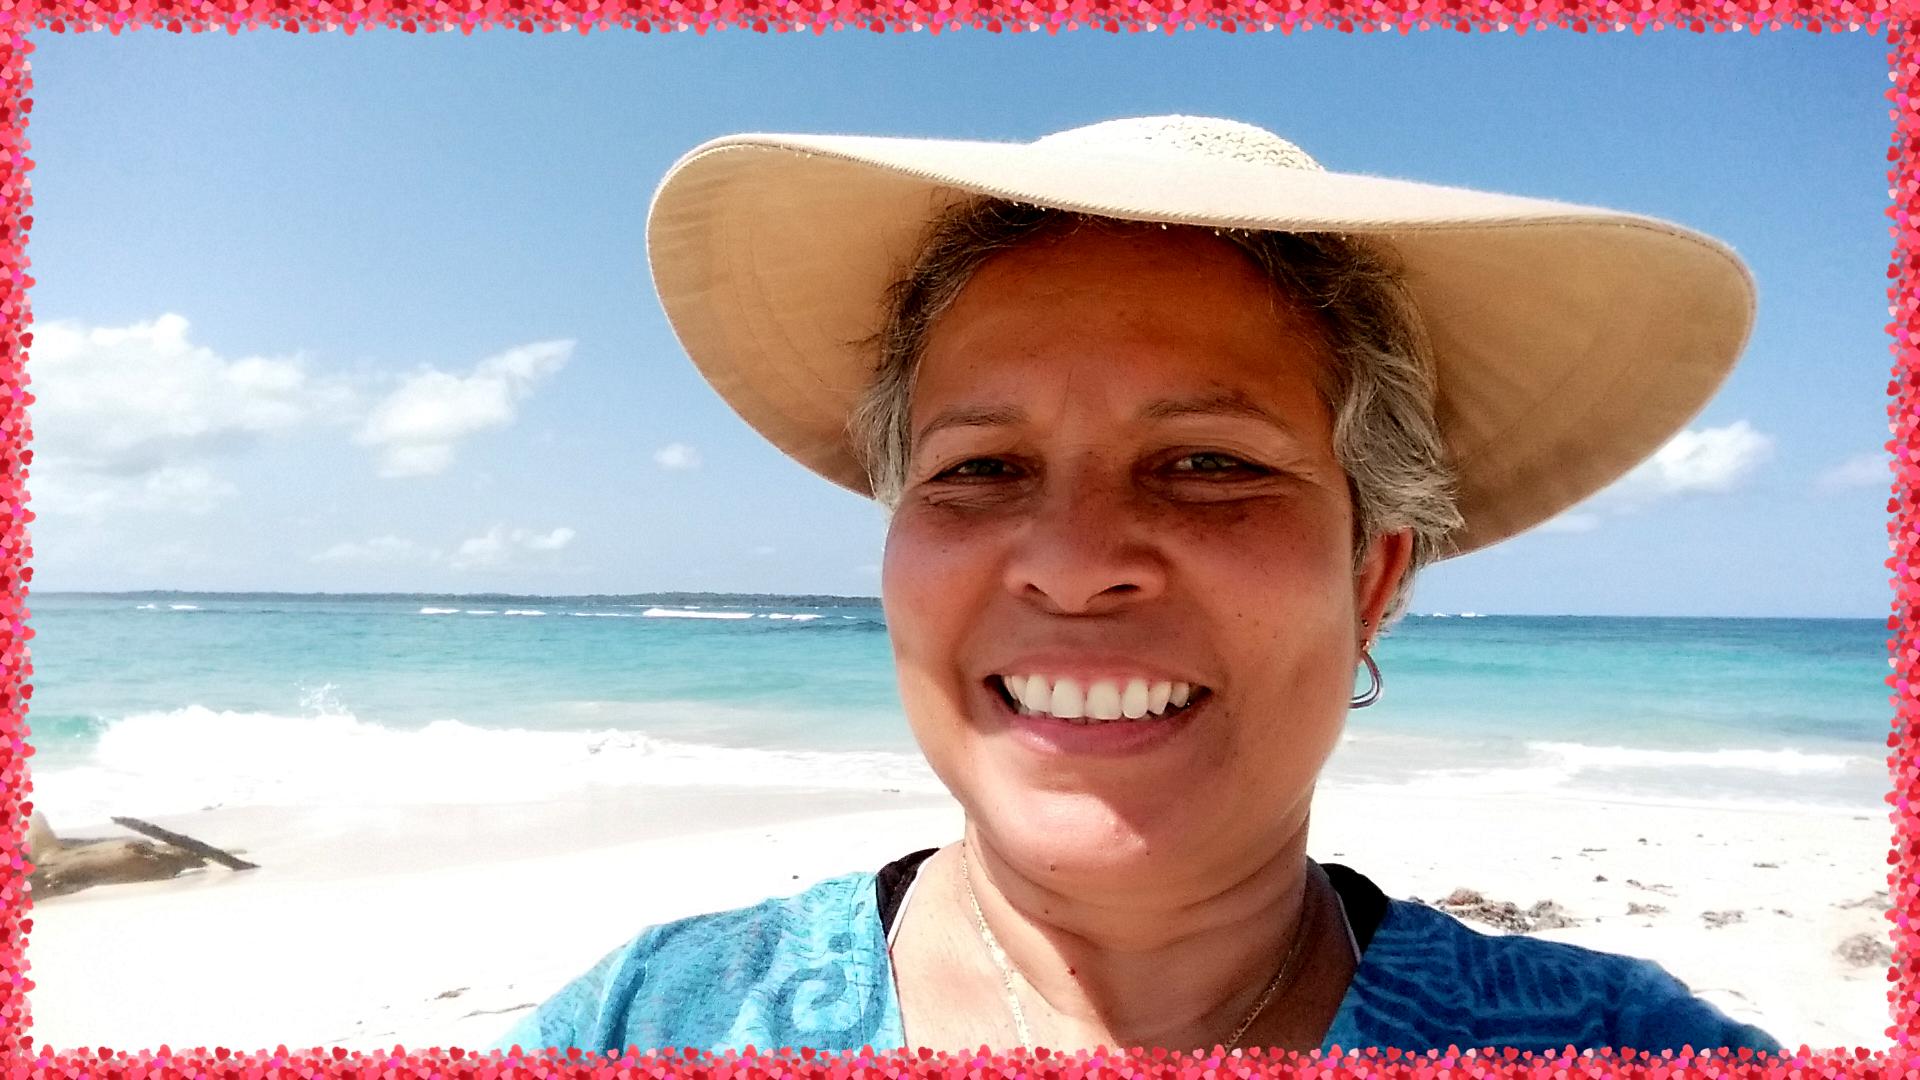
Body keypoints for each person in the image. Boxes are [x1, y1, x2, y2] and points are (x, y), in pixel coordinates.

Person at [496, 116, 1777, 1055]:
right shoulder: (651, 1023)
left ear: (1373, 573)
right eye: (980, 467)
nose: (1071, 562)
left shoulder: (1621, 1047)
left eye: (1211, 463)